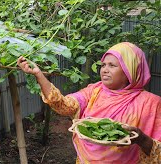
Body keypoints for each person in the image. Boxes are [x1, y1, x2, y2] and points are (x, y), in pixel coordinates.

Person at [17, 42, 161, 163]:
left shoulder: (151, 103)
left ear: (130, 71)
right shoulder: (94, 91)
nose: (104, 70)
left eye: (112, 65)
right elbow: (63, 105)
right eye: (103, 65)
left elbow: (158, 153)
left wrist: (141, 139)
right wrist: (39, 74)